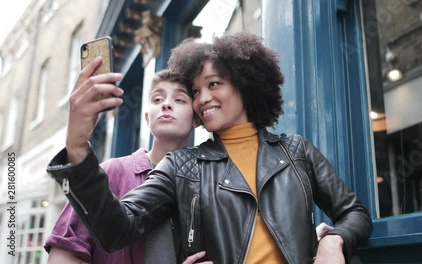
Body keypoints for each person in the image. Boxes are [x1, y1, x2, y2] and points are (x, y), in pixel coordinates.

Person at [47, 32, 372, 263]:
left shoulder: (295, 150)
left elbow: (354, 213)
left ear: (245, 85)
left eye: (214, 84)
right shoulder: (182, 165)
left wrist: (333, 241)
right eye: (196, 90)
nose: (202, 99)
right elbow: (118, 227)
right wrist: (77, 146)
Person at [44, 64, 203, 263]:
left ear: (196, 119)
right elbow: (62, 255)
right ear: (147, 119)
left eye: (179, 99)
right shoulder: (110, 172)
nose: (166, 104)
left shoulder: (205, 184)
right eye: (157, 99)